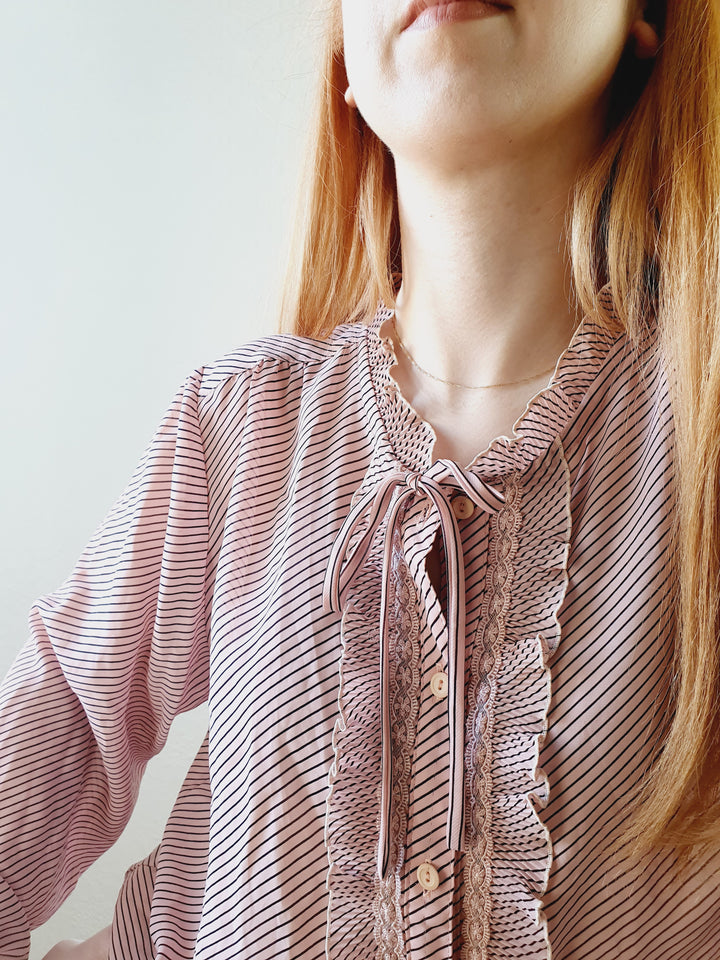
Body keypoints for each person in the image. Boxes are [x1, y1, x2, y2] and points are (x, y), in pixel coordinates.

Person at [2, 0, 720, 958]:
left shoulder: (702, 447)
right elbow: (58, 731)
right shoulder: (240, 426)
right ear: (345, 52)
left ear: (647, 18)